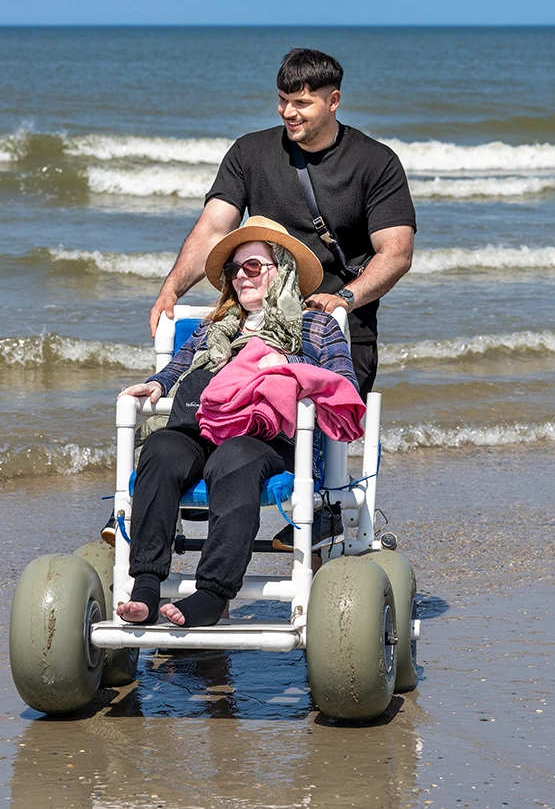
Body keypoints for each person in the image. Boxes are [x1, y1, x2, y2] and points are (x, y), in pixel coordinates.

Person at [115, 217, 361, 628]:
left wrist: (289, 364)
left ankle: (211, 594)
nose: (240, 277)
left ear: (281, 270)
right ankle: (144, 586)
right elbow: (176, 371)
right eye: (234, 270)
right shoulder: (214, 328)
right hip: (204, 427)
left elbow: (343, 385)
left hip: (269, 435)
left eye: (252, 267)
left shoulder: (315, 326)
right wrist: (154, 385)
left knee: (232, 460)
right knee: (160, 450)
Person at [150, 47, 417, 397]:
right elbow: (213, 230)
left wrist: (346, 298)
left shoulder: (376, 163)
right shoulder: (249, 153)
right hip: (257, 328)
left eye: (302, 103)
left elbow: (396, 253)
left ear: (333, 100)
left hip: (337, 332)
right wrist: (172, 288)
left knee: (307, 438)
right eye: (282, 100)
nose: (288, 112)